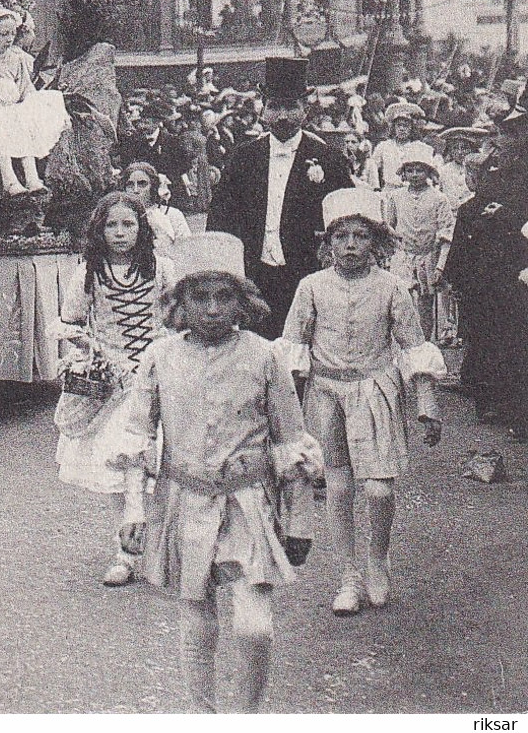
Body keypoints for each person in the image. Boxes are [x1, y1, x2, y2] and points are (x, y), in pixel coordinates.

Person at [106, 232, 322, 713]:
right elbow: (137, 439)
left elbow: (292, 443)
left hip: (249, 502)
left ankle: (247, 716)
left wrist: (301, 519)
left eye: (224, 296)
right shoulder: (160, 357)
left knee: (253, 625)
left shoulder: (265, 356)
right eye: (199, 297)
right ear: (178, 302)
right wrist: (135, 510)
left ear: (242, 301)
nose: (212, 309)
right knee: (197, 612)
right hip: (184, 500)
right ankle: (203, 714)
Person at [277, 189, 443, 615]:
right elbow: (292, 350)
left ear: (377, 243)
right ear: (327, 242)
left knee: (379, 488)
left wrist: (428, 406)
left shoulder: (391, 288)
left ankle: (378, 558)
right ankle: (347, 575)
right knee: (338, 485)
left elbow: (413, 348)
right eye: (341, 236)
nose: (350, 245)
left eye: (361, 236)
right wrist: (286, 418)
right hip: (326, 393)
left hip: (374, 391)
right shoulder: (311, 286)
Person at [52, 192, 174, 587]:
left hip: (159, 380)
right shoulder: (89, 271)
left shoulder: (162, 269)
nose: (120, 233)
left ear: (142, 229)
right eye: (112, 225)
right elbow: (68, 321)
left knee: (158, 469)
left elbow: (178, 321)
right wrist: (87, 346)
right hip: (114, 386)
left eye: (128, 225)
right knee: (122, 471)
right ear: (99, 230)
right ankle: (125, 551)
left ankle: (155, 546)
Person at [206, 56, 354, 339]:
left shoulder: (327, 158)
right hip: (254, 276)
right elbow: (220, 218)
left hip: (308, 275)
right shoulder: (243, 157)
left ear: (305, 110)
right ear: (263, 109)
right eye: (274, 107)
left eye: (291, 107)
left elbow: (345, 220)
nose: (282, 116)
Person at [448, 93, 528, 437]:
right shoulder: (499, 173)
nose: (501, 141)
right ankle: (496, 399)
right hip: (494, 272)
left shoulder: (517, 174)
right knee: (494, 334)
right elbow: (471, 213)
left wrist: (505, 216)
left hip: (517, 267)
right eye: (501, 134)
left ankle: (510, 404)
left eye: (509, 134)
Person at [0, 6, 69, 196]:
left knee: (22, 117)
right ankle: (9, 179)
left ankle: (31, 177)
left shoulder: (15, 58)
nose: (9, 39)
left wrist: (28, 102)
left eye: (12, 34)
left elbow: (25, 89)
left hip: (11, 107)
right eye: (3, 34)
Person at [384, 153, 455, 341]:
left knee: (425, 303)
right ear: (404, 173)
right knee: (402, 301)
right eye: (410, 170)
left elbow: (447, 233)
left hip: (428, 257)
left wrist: (440, 265)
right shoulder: (395, 197)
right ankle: (402, 343)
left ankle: (424, 344)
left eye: (419, 170)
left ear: (428, 172)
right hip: (403, 257)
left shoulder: (439, 199)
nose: (414, 175)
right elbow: (388, 225)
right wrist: (395, 238)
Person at [117, 100, 191, 194]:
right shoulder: (134, 140)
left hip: (169, 189)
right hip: (143, 190)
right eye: (141, 122)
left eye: (147, 122)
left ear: (156, 123)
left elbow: (182, 167)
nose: (142, 126)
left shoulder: (172, 141)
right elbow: (127, 163)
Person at [364, 102, 435, 191]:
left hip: (411, 191)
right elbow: (372, 167)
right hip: (390, 190)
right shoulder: (384, 146)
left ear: (411, 128)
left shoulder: (420, 147)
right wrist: (375, 186)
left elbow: (428, 172)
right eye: (399, 125)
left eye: (405, 126)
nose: (401, 129)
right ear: (394, 127)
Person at [122, 161, 191, 248]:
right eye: (130, 184)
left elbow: (187, 250)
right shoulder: (119, 216)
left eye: (142, 184)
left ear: (153, 187)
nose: (135, 190)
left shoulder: (172, 214)